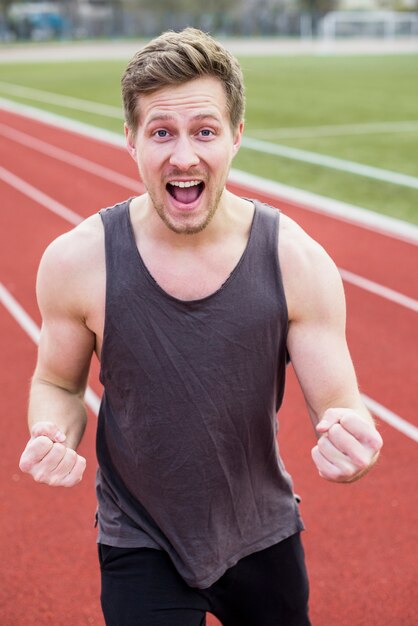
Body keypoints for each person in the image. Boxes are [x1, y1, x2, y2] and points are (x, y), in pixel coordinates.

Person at [19, 28, 383, 626]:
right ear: (131, 139)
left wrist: (353, 439)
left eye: (205, 131)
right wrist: (51, 432)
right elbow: (58, 384)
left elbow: (338, 403)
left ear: (236, 137)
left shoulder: (296, 259)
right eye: (161, 132)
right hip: (139, 535)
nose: (183, 156)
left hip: (260, 529)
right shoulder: (76, 261)